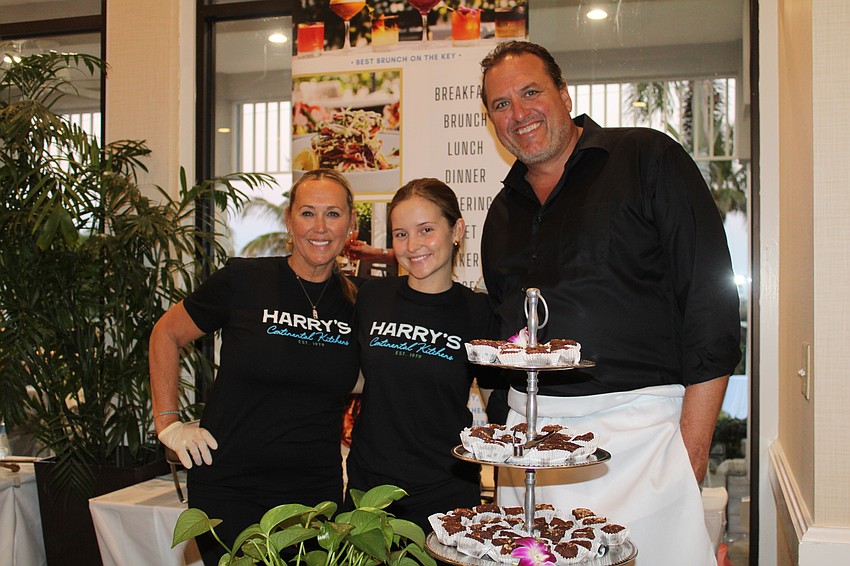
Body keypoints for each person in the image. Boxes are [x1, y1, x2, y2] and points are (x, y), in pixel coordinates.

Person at [479, 41, 741, 565]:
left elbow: (710, 307)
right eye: (500, 104)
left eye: (530, 92)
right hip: (531, 451)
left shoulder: (648, 158)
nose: (519, 113)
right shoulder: (501, 214)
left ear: (563, 93)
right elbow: (510, 338)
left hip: (643, 442)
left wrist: (689, 453)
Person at [149, 169, 360, 565]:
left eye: (333, 214)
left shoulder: (357, 303)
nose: (320, 227)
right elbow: (165, 334)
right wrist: (168, 424)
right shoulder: (244, 280)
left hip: (313, 494)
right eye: (307, 213)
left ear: (350, 224)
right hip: (230, 487)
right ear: (289, 220)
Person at [345, 178, 499, 531]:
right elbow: (352, 377)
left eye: (426, 230)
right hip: (370, 493)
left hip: (445, 492)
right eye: (401, 234)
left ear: (456, 229)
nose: (413, 246)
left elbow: (496, 404)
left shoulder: (478, 312)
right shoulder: (371, 297)